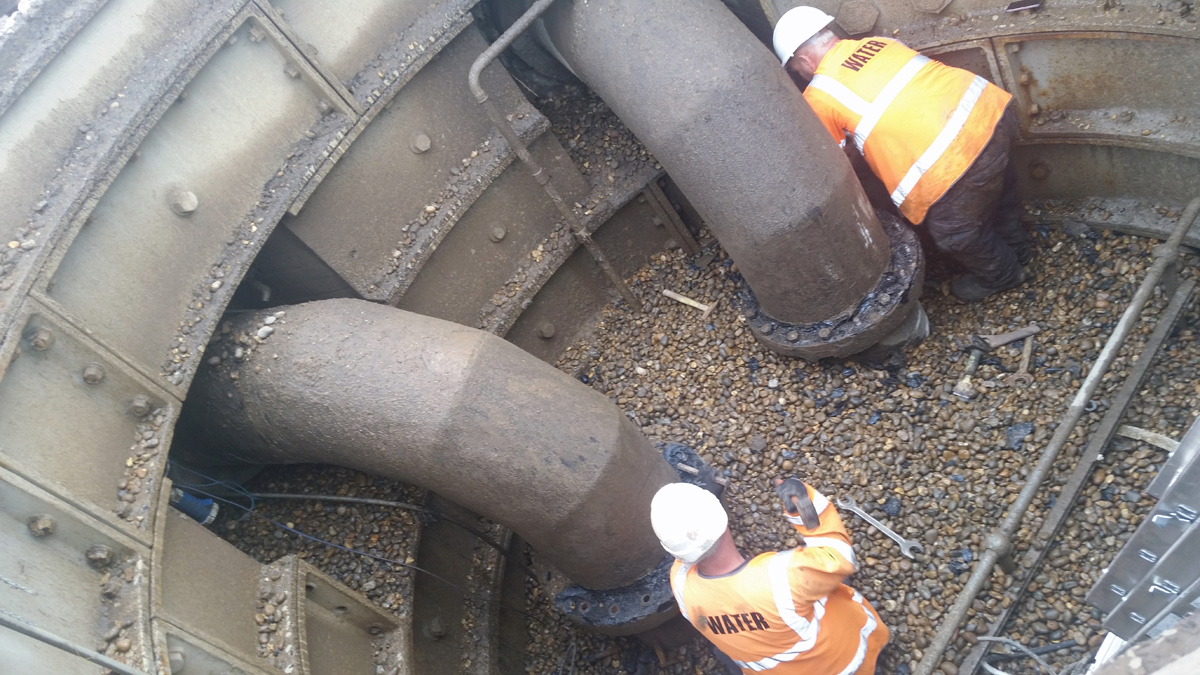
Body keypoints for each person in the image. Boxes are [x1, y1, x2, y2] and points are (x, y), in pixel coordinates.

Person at [772, 7, 1034, 301]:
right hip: (991, 113)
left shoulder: (818, 96)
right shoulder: (881, 43)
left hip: (956, 159)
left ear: (803, 59)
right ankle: (1020, 248)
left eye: (796, 70)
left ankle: (1005, 275)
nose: (801, 75)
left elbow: (834, 164)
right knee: (1000, 196)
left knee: (956, 235)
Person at [650, 479, 888, 674]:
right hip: (850, 663)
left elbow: (684, 557)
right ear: (721, 515)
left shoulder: (680, 586)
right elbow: (839, 557)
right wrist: (807, 503)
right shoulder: (782, 578)